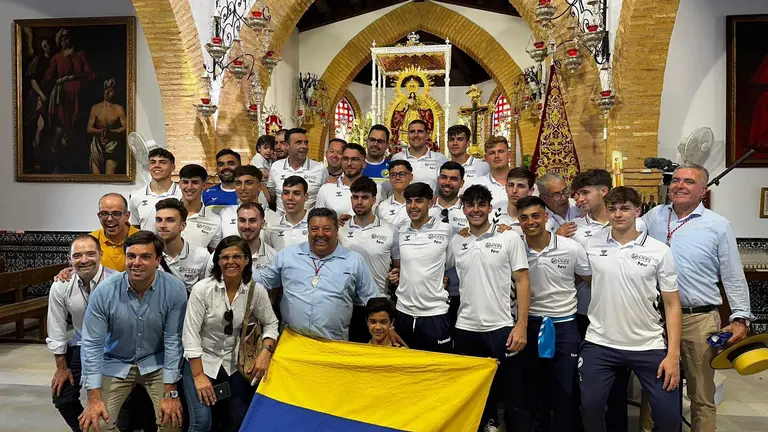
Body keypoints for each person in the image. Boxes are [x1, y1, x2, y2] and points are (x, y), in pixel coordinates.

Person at [639, 164, 753, 432]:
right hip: (656, 319)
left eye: (688, 182)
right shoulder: (654, 216)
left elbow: (733, 275)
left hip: (698, 318)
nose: (679, 185)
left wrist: (740, 317)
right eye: (676, 180)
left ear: (703, 190)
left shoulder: (717, 225)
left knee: (701, 395)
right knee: (653, 390)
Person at [579, 187, 682, 432]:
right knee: (590, 409)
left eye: (624, 208)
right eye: (612, 209)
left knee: (669, 418)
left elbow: (672, 304)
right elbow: (586, 277)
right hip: (600, 342)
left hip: (648, 344)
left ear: (637, 211)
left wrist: (673, 355)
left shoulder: (659, 251)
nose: (618, 214)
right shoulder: (591, 247)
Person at [79, 231, 187, 432]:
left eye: (145, 257)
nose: (137, 262)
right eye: (131, 256)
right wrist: (93, 397)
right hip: (116, 361)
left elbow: (173, 340)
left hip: (157, 362)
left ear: (158, 260)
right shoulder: (104, 291)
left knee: (171, 421)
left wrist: (171, 392)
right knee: (97, 425)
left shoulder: (174, 289)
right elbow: (92, 344)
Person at [451, 185, 530, 432]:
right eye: (470, 205)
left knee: (513, 394)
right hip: (466, 327)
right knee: (476, 395)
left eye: (481, 204)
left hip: (501, 326)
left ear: (490, 208)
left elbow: (523, 280)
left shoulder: (508, 237)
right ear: (463, 208)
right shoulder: (457, 240)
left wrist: (522, 325)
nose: (475, 210)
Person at [182, 236, 278, 432]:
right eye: (225, 257)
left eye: (237, 257)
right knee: (202, 422)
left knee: (237, 422)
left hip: (236, 364)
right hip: (202, 362)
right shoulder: (202, 290)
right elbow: (190, 335)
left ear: (246, 260)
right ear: (217, 261)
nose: (231, 262)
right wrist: (199, 376)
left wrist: (265, 352)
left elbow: (271, 323)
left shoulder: (255, 290)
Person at [516, 196, 590, 432]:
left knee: (565, 390)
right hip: (530, 324)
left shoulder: (571, 247)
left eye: (536, 216)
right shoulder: (514, 247)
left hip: (564, 325)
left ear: (546, 217)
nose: (531, 222)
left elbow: (588, 277)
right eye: (524, 218)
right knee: (534, 389)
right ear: (519, 221)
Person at [256, 208, 381, 341]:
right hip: (291, 342)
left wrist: (388, 328)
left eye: (326, 229)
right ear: (308, 230)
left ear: (337, 230)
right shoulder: (287, 255)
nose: (320, 234)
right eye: (314, 229)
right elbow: (261, 280)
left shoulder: (354, 260)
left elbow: (373, 300)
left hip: (333, 345)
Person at [47, 235, 115, 431]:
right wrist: (61, 367)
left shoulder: (116, 282)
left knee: (117, 400)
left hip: (113, 348)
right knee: (63, 397)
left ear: (101, 255)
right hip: (81, 345)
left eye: (90, 254)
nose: (84, 260)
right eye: (77, 255)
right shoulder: (61, 285)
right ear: (69, 260)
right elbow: (56, 328)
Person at [394, 182, 455, 353]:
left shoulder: (446, 230)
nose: (413, 206)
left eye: (419, 201)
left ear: (431, 202)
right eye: (409, 201)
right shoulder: (400, 230)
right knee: (403, 368)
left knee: (437, 370)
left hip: (434, 313)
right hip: (403, 311)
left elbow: (449, 263)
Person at [339, 176, 401, 342]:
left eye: (364, 197)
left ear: (374, 200)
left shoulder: (390, 230)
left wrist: (397, 277)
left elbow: (397, 269)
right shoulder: (340, 230)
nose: (359, 202)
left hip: (379, 306)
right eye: (355, 197)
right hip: (348, 305)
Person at [427, 162, 467, 331]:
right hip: (429, 291)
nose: (447, 182)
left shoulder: (470, 211)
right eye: (443, 177)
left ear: (462, 183)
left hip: (462, 292)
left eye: (453, 179)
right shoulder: (425, 209)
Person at [206, 202, 277, 277]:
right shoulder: (219, 254)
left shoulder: (273, 257)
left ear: (262, 223)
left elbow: (275, 288)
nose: (247, 226)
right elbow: (207, 284)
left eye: (252, 221)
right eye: (242, 220)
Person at [265, 128, 328, 212]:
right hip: (280, 223)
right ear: (287, 146)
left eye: (306, 143)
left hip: (309, 223)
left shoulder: (320, 169)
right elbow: (271, 197)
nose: (304, 146)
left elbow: (327, 197)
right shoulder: (276, 167)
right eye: (298, 143)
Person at [317, 143, 383, 222]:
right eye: (345, 159)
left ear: (364, 164)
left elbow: (381, 220)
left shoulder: (377, 189)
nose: (349, 163)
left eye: (354, 159)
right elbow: (318, 221)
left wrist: (354, 221)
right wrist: (334, 223)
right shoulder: (326, 189)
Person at [155, 198, 210, 292]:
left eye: (170, 220)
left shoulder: (202, 256)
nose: (162, 225)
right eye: (159, 220)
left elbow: (205, 293)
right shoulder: (147, 255)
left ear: (183, 225)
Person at [129, 148, 181, 231]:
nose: (157, 165)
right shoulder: (136, 196)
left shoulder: (182, 195)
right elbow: (135, 228)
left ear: (172, 167)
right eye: (153, 162)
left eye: (162, 162)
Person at [390, 120, 448, 193]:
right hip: (403, 203)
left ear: (427, 135)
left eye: (420, 131)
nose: (415, 135)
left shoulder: (440, 159)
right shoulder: (397, 158)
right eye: (412, 132)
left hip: (430, 203)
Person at [219, 166, 276, 238]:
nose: (242, 188)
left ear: (259, 186)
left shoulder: (273, 217)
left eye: (248, 183)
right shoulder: (225, 213)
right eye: (238, 183)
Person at [177, 164, 222, 252]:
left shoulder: (214, 220)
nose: (189, 187)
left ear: (204, 186)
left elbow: (214, 255)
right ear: (180, 184)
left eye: (195, 182)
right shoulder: (166, 212)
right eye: (185, 182)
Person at [87, 79, 127, 175]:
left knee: (109, 175)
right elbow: (89, 128)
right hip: (98, 145)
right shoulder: (95, 108)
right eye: (106, 89)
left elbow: (126, 127)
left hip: (112, 144)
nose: (107, 92)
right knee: (95, 178)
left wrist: (112, 132)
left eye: (110, 90)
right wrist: (102, 131)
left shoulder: (118, 109)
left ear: (115, 92)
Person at [91, 193, 140, 272]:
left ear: (127, 216)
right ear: (98, 216)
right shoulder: (91, 241)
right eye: (104, 214)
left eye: (116, 214)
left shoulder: (143, 239)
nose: (109, 219)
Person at [490, 167, 544, 235]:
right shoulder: (490, 216)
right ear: (506, 188)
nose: (514, 191)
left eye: (520, 186)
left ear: (530, 191)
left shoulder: (539, 221)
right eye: (511, 185)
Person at [264, 176, 310, 252]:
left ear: (306, 196)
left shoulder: (315, 225)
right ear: (281, 196)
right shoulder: (272, 227)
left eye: (296, 193)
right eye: (286, 193)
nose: (290, 198)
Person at [473, 136, 511, 208]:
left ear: (509, 155)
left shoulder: (524, 184)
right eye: (492, 153)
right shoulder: (476, 185)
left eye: (501, 151)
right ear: (486, 158)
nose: (497, 156)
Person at [375, 159, 413, 227]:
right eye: (393, 175)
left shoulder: (419, 203)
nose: (397, 178)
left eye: (402, 174)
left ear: (411, 177)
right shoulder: (382, 207)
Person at [202, 149, 242, 214]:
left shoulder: (253, 192)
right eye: (221, 164)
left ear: (240, 166)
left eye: (231, 164)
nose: (225, 167)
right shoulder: (205, 194)